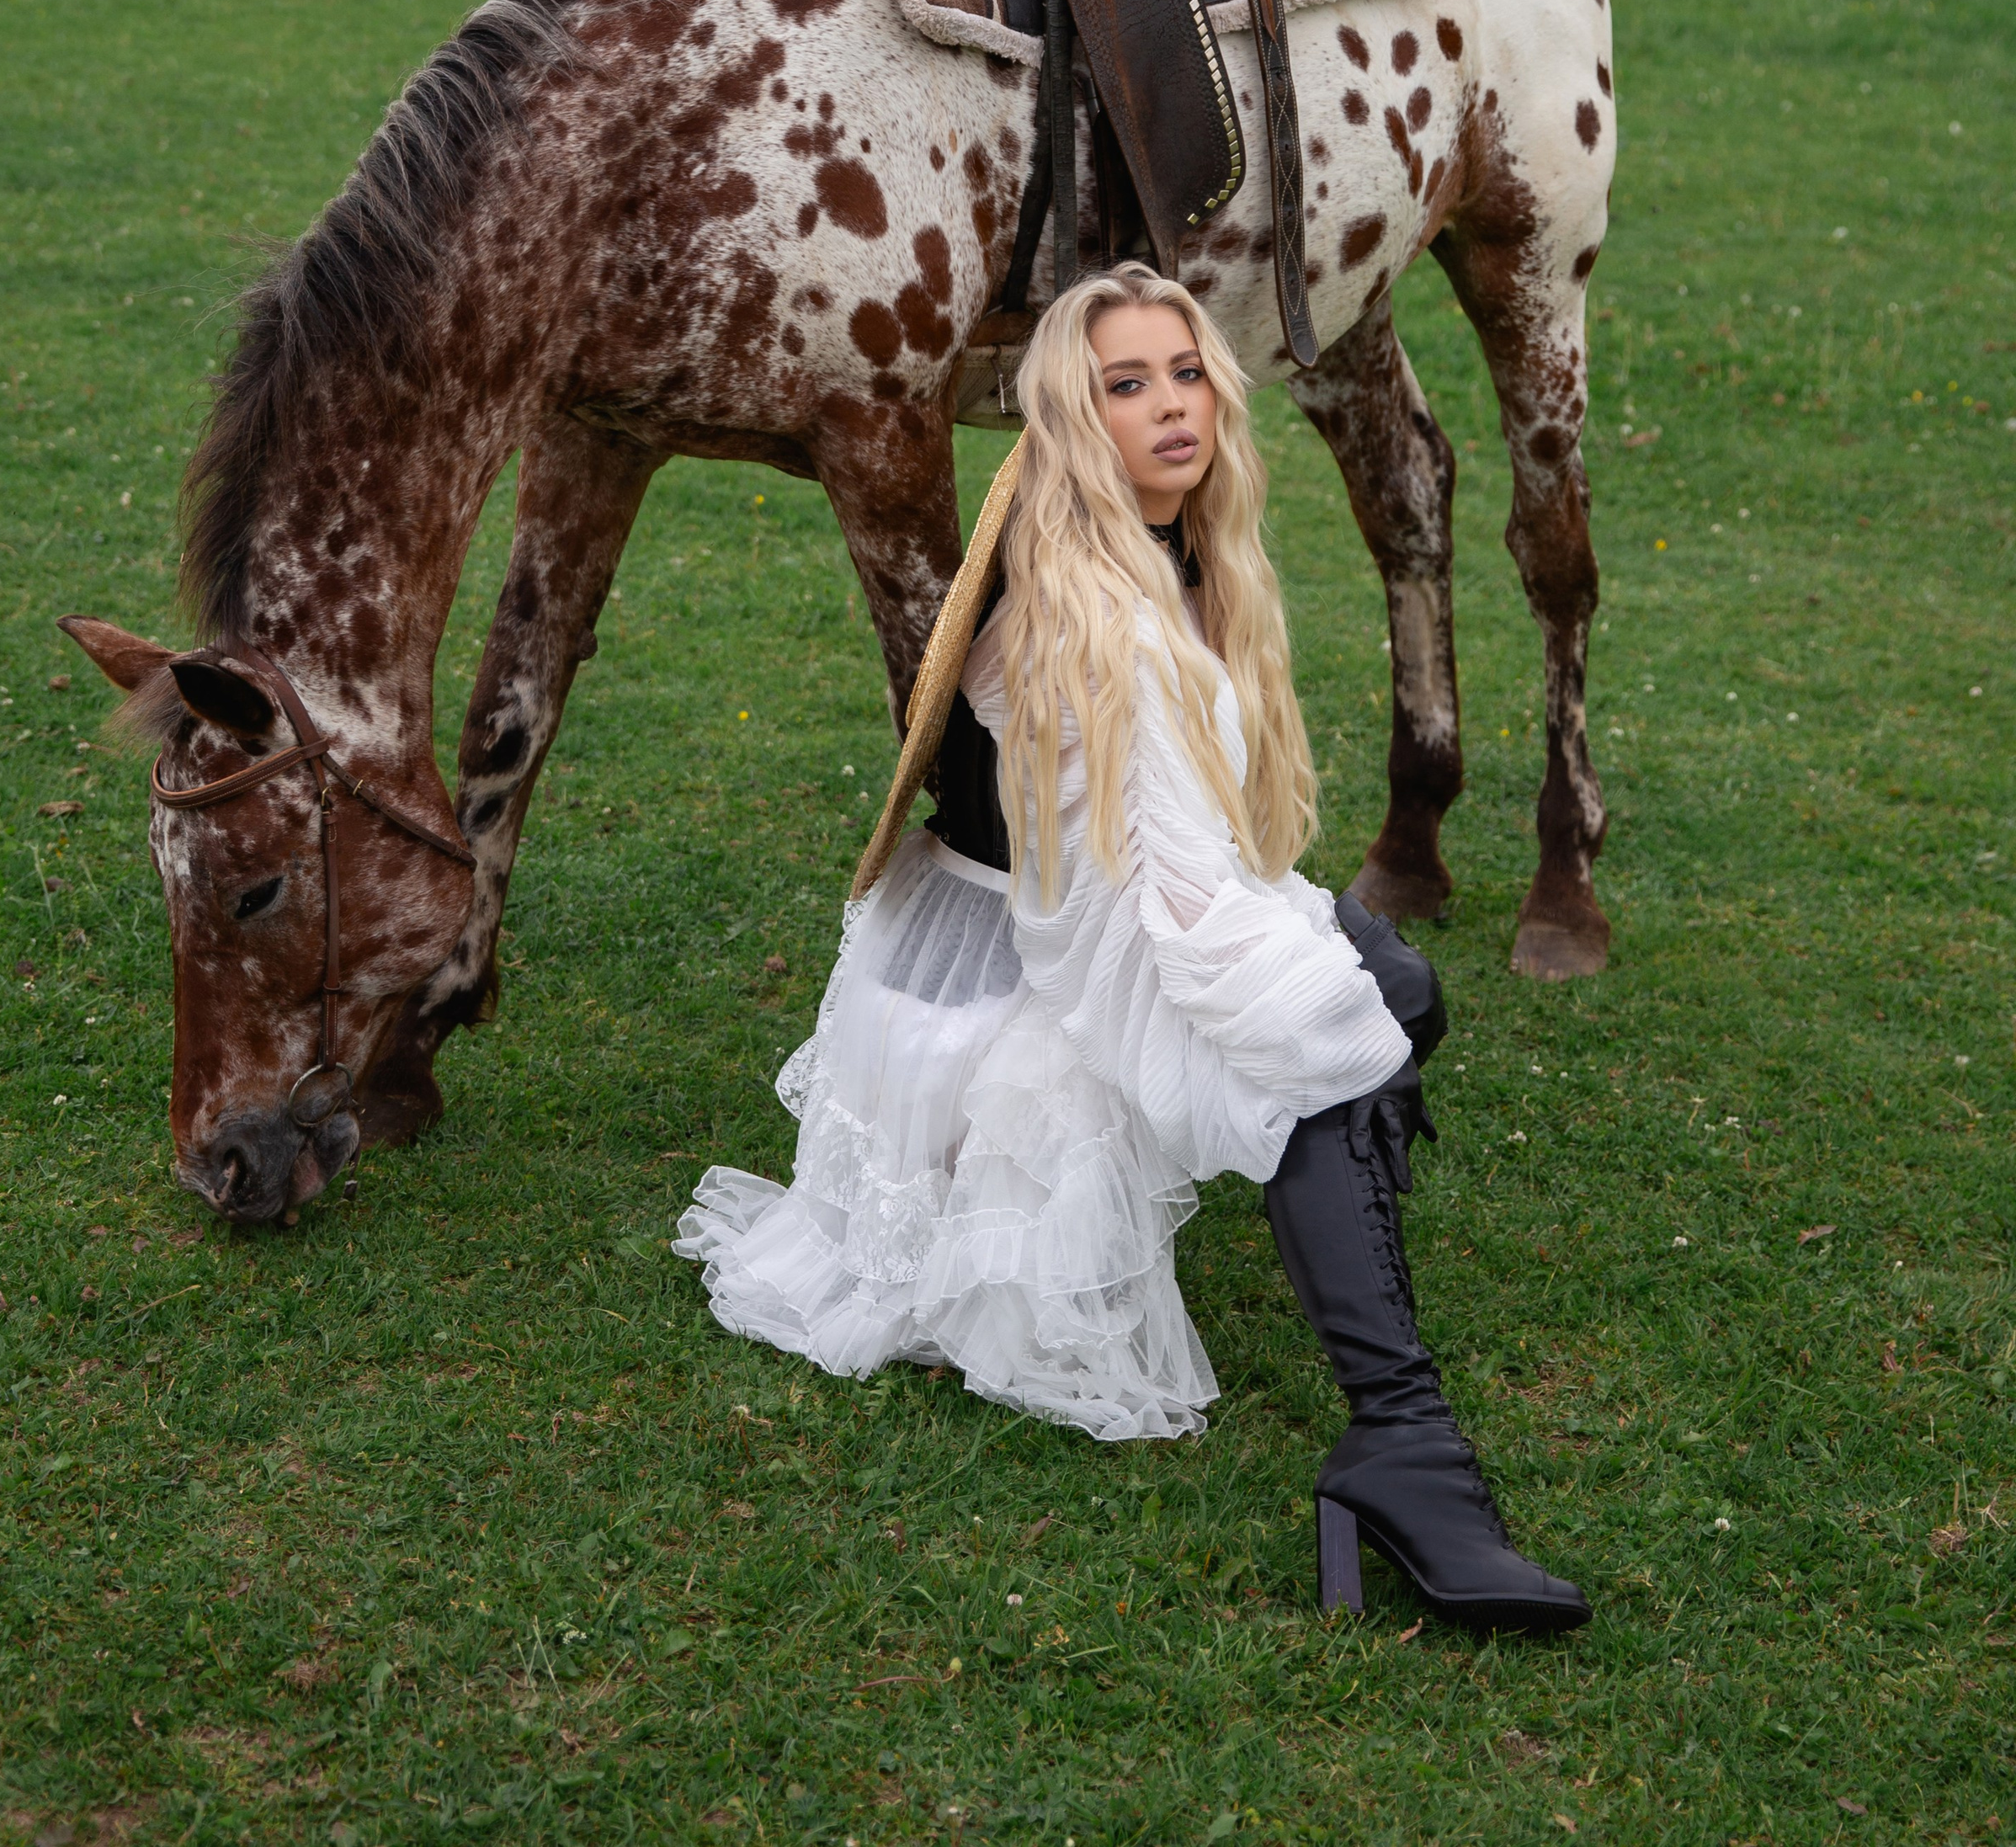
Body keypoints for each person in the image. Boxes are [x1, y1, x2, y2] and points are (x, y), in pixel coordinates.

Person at [676, 263, 1587, 1632]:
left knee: (1393, 989)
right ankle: (1400, 1437)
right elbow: (1135, 905)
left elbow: (1205, 844)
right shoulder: (1072, 611)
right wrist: (1310, 1030)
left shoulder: (1184, 542)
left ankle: (1356, 1237)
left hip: (1134, 877)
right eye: (1123, 383)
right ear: (1072, 419)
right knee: (1319, 1044)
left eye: (1183, 371)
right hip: (1024, 940)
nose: (1171, 405)